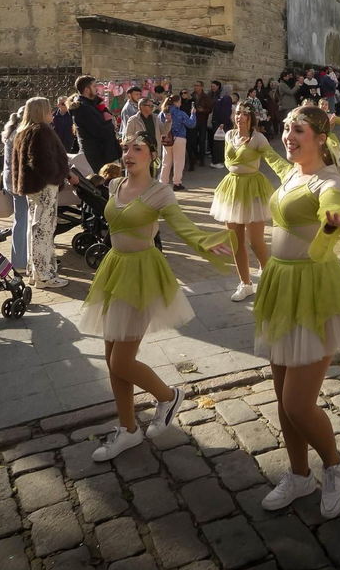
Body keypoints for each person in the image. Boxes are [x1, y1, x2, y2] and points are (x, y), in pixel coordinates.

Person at [251, 106, 340, 519]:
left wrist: (333, 220)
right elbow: (270, 160)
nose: (289, 134)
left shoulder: (329, 180)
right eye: (286, 127)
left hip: (313, 290)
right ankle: (299, 474)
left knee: (299, 403)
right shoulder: (291, 173)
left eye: (297, 129)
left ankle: (335, 465)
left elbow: (330, 204)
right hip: (280, 286)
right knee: (283, 400)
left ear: (320, 137)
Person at [83, 131, 233, 461]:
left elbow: (181, 225)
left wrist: (204, 243)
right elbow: (112, 216)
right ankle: (128, 430)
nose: (129, 153)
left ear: (153, 153)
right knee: (113, 361)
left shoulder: (160, 192)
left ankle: (168, 396)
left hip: (142, 275)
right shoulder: (114, 185)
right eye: (125, 147)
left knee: (121, 360)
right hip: (115, 269)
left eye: (137, 148)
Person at [213, 100, 294, 301]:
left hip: (253, 188)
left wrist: (291, 174)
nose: (239, 116)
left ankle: (269, 277)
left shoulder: (258, 138)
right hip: (231, 188)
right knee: (235, 240)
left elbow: (273, 158)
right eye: (237, 113)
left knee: (255, 240)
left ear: (250, 117)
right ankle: (245, 283)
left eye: (243, 113)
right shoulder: (230, 135)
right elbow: (227, 160)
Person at [14, 96, 71, 288]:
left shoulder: (22, 131)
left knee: (36, 227)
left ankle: (36, 271)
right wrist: (57, 176)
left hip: (33, 187)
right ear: (41, 111)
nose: (52, 113)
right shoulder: (40, 130)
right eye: (49, 110)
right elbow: (42, 161)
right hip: (45, 185)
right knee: (44, 230)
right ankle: (44, 274)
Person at [0, 109, 30, 280]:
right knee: (22, 221)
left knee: (21, 219)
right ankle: (19, 262)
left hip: (11, 180)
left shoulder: (13, 130)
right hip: (18, 181)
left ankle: (22, 259)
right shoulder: (20, 133)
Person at [70, 76, 120, 171]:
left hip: (103, 154)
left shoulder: (93, 104)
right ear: (87, 90)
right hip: (95, 157)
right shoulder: (83, 108)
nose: (97, 88)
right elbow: (98, 131)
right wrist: (111, 124)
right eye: (94, 86)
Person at [156, 95, 196, 191]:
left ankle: (163, 182)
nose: (180, 103)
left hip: (166, 139)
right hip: (179, 138)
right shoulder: (180, 113)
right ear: (176, 102)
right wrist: (193, 114)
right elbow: (191, 124)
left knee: (166, 161)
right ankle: (177, 183)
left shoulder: (162, 113)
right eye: (179, 102)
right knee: (178, 161)